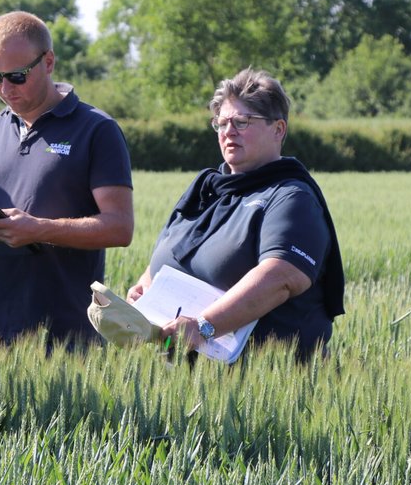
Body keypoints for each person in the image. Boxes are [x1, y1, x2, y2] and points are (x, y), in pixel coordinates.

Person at [0, 11, 134, 350]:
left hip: (68, 330)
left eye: (16, 76)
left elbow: (120, 227)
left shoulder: (96, 130)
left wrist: (38, 229)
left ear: (49, 62)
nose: (4, 88)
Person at [127, 68, 344, 361]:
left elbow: (281, 276)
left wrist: (203, 327)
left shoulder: (291, 197)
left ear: (278, 129)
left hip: (262, 384)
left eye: (242, 122)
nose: (229, 131)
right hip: (185, 380)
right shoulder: (206, 189)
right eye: (222, 123)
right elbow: (169, 254)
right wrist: (144, 292)